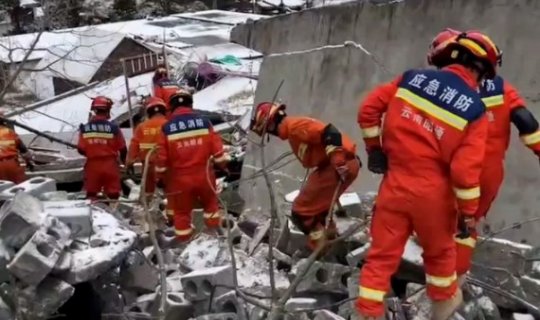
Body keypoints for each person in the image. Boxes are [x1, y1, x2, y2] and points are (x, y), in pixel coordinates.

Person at [356, 31, 500, 319]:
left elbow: (368, 110)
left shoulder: (410, 79)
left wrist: (375, 149)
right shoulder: (474, 110)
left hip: (394, 186)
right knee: (440, 255)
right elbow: (464, 171)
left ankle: (368, 312)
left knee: (381, 257)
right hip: (434, 198)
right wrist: (467, 213)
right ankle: (441, 307)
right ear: (480, 70)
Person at [427, 29, 540, 282]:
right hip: (488, 175)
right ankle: (456, 278)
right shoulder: (500, 87)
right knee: (466, 227)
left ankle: (430, 280)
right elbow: (526, 122)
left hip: (450, 170)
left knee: (436, 222)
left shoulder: (442, 88)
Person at [249, 102, 360, 251]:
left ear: (270, 125)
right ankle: (333, 244)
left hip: (338, 165)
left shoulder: (296, 127)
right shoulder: (293, 130)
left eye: (266, 130)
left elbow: (330, 132)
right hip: (338, 165)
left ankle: (319, 249)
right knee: (319, 211)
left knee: (300, 212)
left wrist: (338, 160)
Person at [155, 91, 228, 242]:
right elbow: (218, 151)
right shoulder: (205, 122)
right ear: (190, 104)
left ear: (172, 107)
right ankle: (215, 240)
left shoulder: (167, 128)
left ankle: (185, 244)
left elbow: (161, 159)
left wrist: (160, 178)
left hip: (179, 180)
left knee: (182, 212)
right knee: (211, 206)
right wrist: (222, 165)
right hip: (205, 176)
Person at [77, 96, 127, 203]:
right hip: (110, 166)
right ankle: (115, 216)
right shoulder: (114, 128)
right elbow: (123, 149)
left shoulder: (85, 129)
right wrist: (124, 164)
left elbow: (80, 149)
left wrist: (93, 151)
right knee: (113, 196)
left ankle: (93, 216)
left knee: (92, 195)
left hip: (92, 166)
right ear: (107, 110)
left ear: (95, 110)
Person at [126, 97, 168, 200]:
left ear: (148, 112)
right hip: (167, 167)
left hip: (148, 168)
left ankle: (150, 213)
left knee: (149, 195)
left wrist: (129, 163)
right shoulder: (170, 125)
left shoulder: (141, 127)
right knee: (169, 195)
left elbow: (134, 147)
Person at [0, 112, 32, 183]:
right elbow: (25, 153)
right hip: (12, 166)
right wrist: (29, 162)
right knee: (18, 191)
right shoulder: (10, 132)